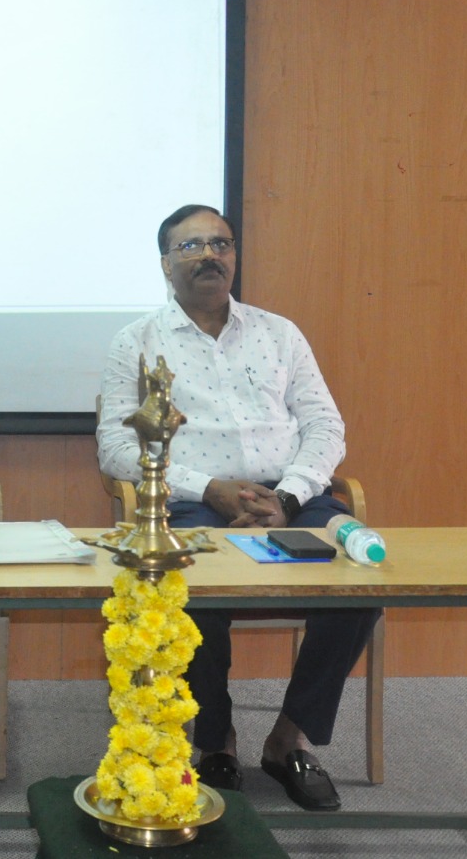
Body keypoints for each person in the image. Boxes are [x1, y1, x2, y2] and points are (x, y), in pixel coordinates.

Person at [96, 204, 379, 812]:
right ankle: (215, 740)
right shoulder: (136, 342)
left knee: (359, 581)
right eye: (191, 245)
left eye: (220, 243)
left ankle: (289, 738)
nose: (209, 255)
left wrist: (289, 496)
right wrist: (210, 489)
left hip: (292, 497)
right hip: (193, 503)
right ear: (165, 263)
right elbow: (117, 448)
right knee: (191, 584)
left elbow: (325, 425)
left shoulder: (280, 333)